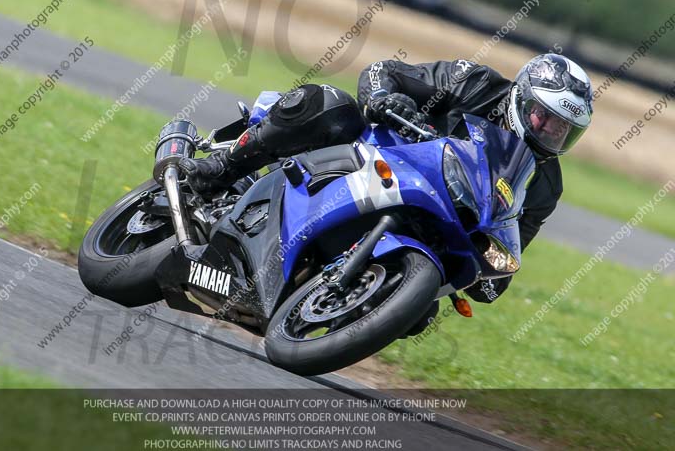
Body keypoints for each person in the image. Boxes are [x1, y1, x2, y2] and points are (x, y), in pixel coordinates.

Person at [179, 54, 593, 330]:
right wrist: (383, 98)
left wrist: (493, 277)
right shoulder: (476, 83)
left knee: (420, 313)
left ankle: (321, 309)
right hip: (379, 157)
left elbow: (513, 239)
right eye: (545, 118)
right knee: (329, 104)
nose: (551, 133)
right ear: (522, 99)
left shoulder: (545, 186)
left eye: (563, 130)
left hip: (433, 222)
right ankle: (219, 169)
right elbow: (384, 71)